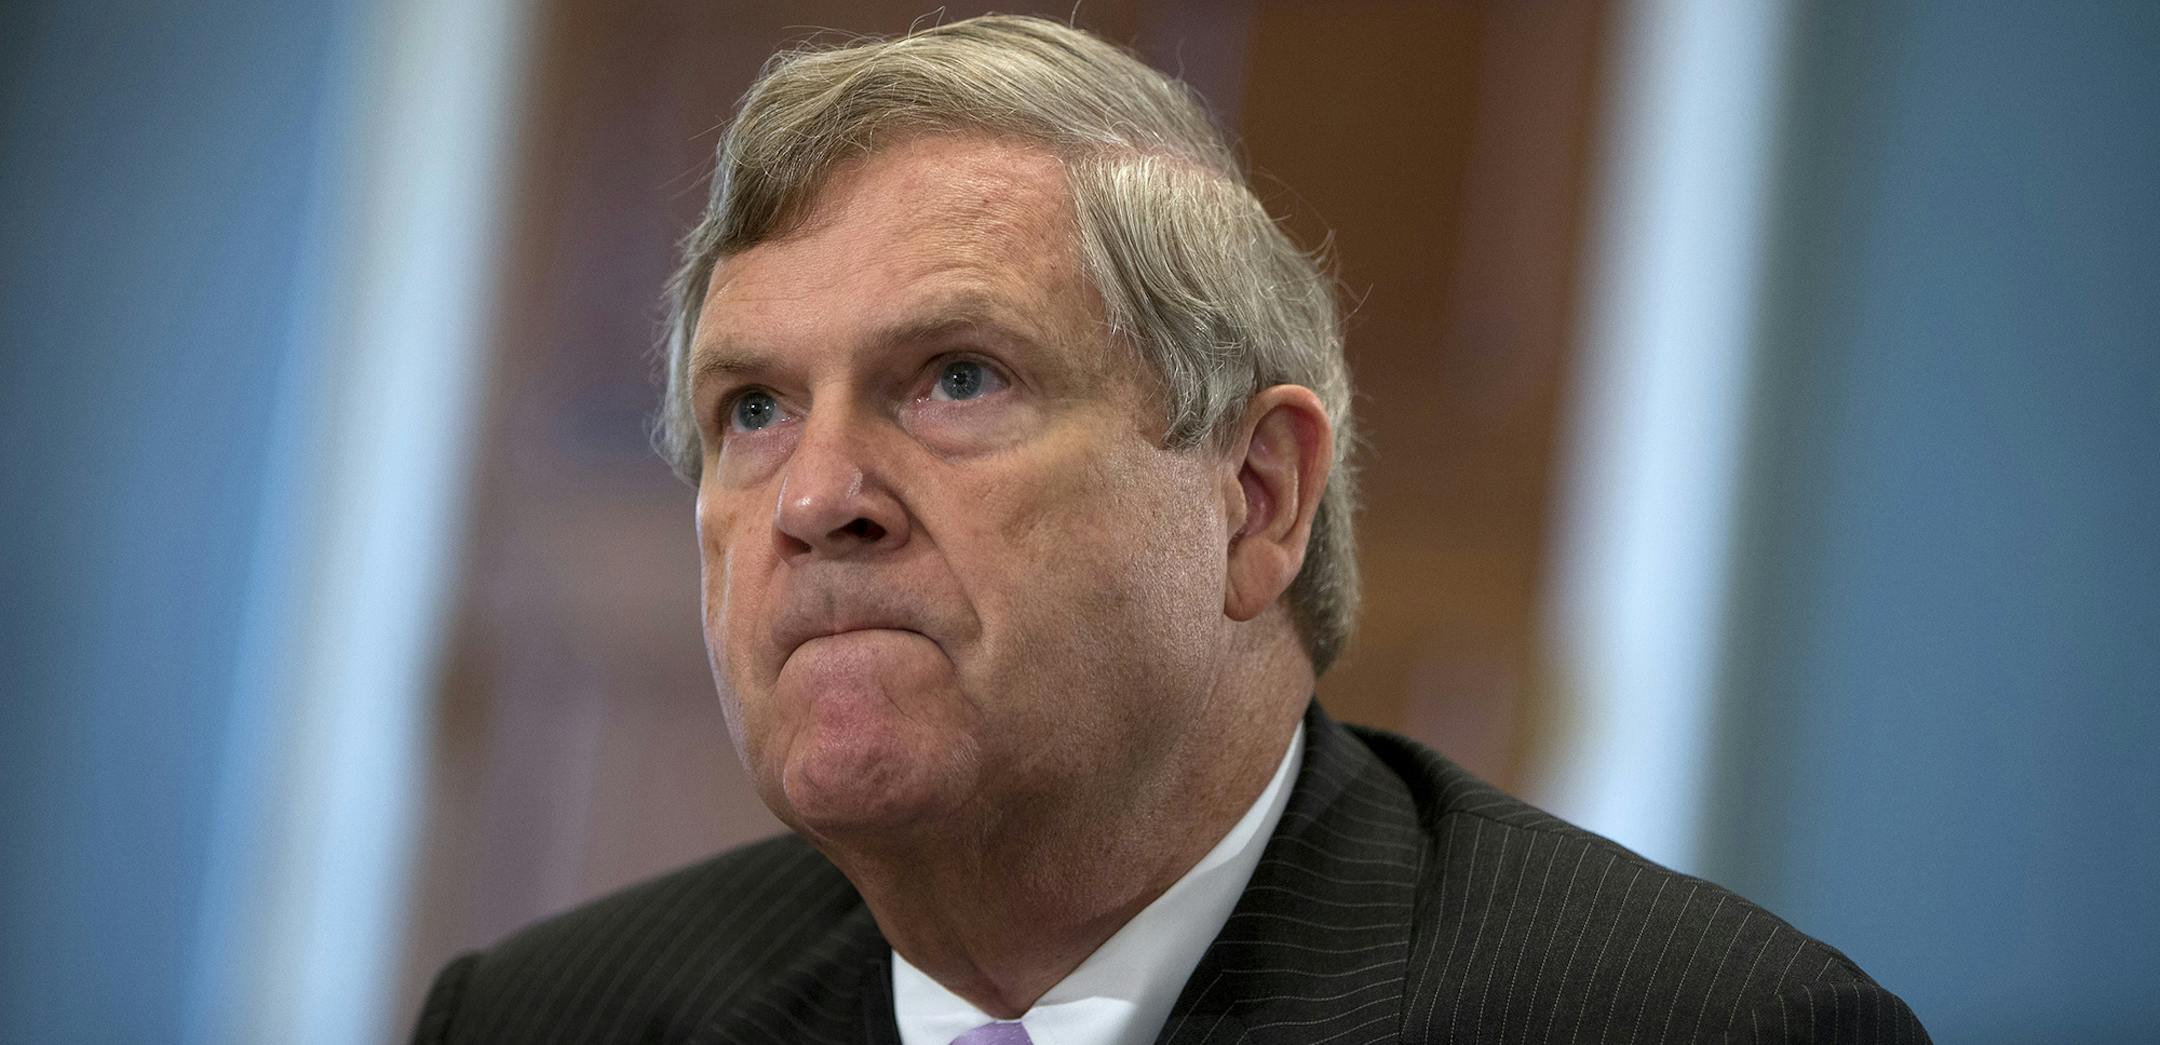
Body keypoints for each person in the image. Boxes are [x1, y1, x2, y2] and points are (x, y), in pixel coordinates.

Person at [410, 15, 1927, 1044]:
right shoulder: (549, 1014)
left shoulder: (1698, 1025)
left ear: (1254, 498)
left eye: (955, 376)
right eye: (751, 407)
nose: (814, 498)